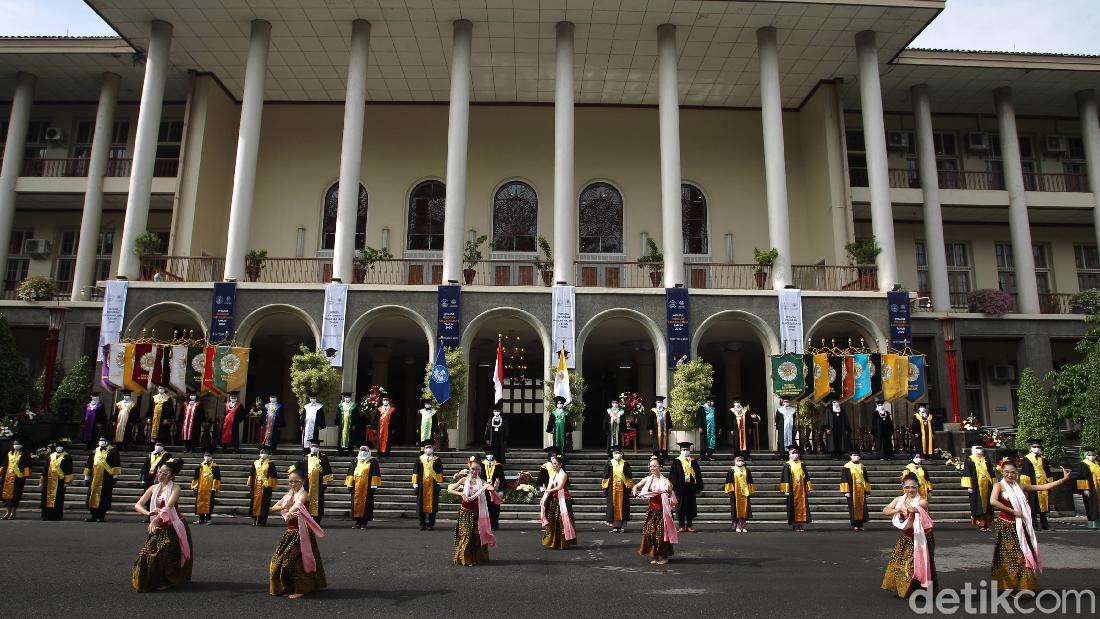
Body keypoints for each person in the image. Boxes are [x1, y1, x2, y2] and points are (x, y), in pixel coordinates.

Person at [989, 460, 1071, 592]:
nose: (1009, 475)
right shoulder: (998, 486)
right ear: (1002, 472)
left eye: (1013, 472)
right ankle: (1009, 587)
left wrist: (1063, 480)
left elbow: (1044, 487)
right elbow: (993, 501)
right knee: (1009, 556)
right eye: (1006, 472)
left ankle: (1025, 587)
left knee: (1023, 556)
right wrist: (1012, 511)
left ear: (1017, 473)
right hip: (1006, 526)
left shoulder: (1020, 487)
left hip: (1021, 526)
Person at [132, 458, 193, 592]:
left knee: (169, 554)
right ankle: (151, 580)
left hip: (173, 524)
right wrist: (148, 513)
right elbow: (138, 504)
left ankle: (168, 580)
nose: (160, 475)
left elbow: (168, 506)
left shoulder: (175, 488)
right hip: (158, 525)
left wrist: (155, 520)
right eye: (160, 471)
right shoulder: (153, 488)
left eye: (164, 473)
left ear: (171, 476)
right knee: (149, 553)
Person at [269, 467, 327, 598]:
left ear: (301, 482)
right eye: (290, 481)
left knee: (292, 563)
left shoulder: (303, 494)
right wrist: (285, 507)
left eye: (295, 481)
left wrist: (290, 510)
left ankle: (300, 589)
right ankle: (289, 587)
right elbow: (273, 508)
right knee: (277, 561)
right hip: (290, 532)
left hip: (302, 533)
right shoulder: (289, 495)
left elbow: (298, 505)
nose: (292, 484)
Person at [881, 473, 937, 599]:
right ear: (903, 487)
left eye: (913, 487)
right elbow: (885, 510)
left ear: (918, 487)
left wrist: (910, 508)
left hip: (922, 537)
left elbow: (917, 508)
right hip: (907, 536)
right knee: (899, 562)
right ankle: (903, 589)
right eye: (907, 487)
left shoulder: (922, 500)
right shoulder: (899, 500)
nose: (910, 490)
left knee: (920, 564)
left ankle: (922, 590)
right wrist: (897, 510)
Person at [448, 461, 497, 566]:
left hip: (476, 513)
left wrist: (495, 486)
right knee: (465, 534)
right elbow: (450, 490)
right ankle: (463, 558)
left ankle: (475, 558)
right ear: (469, 469)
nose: (475, 471)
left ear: (480, 471)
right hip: (464, 512)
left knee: (475, 536)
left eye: (477, 469)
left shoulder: (482, 482)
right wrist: (461, 494)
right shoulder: (464, 479)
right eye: (473, 469)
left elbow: (491, 489)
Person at [632, 457, 678, 565]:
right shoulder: (648, 479)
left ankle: (665, 556)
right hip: (652, 511)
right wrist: (635, 493)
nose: (652, 468)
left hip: (663, 512)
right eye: (651, 466)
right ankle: (655, 555)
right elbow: (636, 486)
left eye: (654, 466)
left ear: (660, 467)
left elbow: (671, 493)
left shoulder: (665, 480)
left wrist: (669, 490)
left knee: (661, 535)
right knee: (650, 533)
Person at [538, 447, 576, 549]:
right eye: (553, 464)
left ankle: (564, 543)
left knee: (563, 521)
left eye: (555, 464)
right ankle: (554, 542)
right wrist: (545, 495)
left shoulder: (564, 475)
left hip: (564, 500)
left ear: (560, 465)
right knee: (553, 521)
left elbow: (560, 487)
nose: (553, 466)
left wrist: (549, 491)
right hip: (556, 500)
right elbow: (550, 485)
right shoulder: (554, 474)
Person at [84, 436, 121, 522]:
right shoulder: (95, 451)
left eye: (104, 440)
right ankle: (93, 515)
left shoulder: (113, 451)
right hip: (94, 477)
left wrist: (115, 476)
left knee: (104, 496)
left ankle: (101, 515)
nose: (102, 442)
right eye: (100, 440)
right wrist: (87, 477)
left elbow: (116, 463)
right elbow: (89, 464)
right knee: (92, 495)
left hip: (106, 478)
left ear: (107, 441)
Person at [1019, 438, 1053, 531]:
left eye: (1038, 446)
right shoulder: (1027, 459)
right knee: (1033, 505)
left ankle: (1045, 524)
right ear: (1030, 447)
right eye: (1034, 446)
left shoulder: (1043, 459)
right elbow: (1025, 473)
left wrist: (1050, 484)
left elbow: (1048, 472)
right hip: (1032, 485)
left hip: (1043, 485)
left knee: (1043, 506)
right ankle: (1034, 524)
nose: (1036, 448)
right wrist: (1026, 487)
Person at [669, 441, 703, 532]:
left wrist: (698, 485)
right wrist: (674, 485)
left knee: (690, 507)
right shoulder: (676, 462)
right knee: (680, 507)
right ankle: (681, 525)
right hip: (680, 489)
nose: (685, 451)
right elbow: (673, 474)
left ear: (689, 450)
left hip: (690, 488)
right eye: (683, 450)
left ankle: (689, 524)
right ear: (680, 450)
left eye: (687, 449)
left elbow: (698, 474)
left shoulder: (693, 461)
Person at [962, 440, 996, 531]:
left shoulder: (986, 460)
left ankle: (988, 524)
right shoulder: (969, 460)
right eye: (977, 448)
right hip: (976, 487)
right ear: (973, 449)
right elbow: (967, 473)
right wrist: (969, 486)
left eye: (980, 448)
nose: (979, 450)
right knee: (978, 505)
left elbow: (991, 472)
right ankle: (981, 524)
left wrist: (995, 484)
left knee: (988, 505)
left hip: (987, 486)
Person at [346, 444, 381, 529]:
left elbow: (375, 473)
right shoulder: (355, 461)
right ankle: (357, 522)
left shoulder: (372, 461)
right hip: (356, 486)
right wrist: (350, 484)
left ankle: (364, 522)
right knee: (356, 503)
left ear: (368, 451)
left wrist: (374, 485)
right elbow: (350, 472)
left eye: (365, 451)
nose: (363, 452)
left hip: (367, 487)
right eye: (361, 450)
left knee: (367, 505)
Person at [298, 440, 333, 522]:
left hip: (319, 483)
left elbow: (327, 470)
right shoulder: (306, 457)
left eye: (316, 446)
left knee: (318, 502)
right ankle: (306, 519)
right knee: (306, 500)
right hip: (307, 483)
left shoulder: (323, 457)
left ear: (319, 447)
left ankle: (317, 520)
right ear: (310, 447)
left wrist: (325, 482)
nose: (314, 448)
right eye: (313, 446)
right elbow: (302, 470)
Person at [412, 439, 443, 531]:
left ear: (433, 448)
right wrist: (415, 485)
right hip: (422, 486)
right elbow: (415, 473)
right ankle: (422, 523)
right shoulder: (419, 460)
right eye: (427, 447)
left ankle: (430, 524)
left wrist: (438, 484)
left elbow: (439, 473)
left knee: (432, 505)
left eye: (430, 447)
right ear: (424, 449)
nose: (429, 449)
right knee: (421, 505)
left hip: (433, 486)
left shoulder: (437, 460)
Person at [780, 446, 812, 532]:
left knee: (802, 506)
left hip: (801, 489)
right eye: (793, 454)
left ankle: (800, 524)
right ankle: (795, 525)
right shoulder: (787, 465)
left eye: (796, 453)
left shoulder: (802, 464)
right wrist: (786, 490)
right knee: (792, 507)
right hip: (792, 490)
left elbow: (806, 476)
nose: (795, 455)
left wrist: (808, 487)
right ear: (790, 455)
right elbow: (785, 478)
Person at [601, 446, 633, 532]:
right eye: (615, 453)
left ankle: (621, 525)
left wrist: (629, 487)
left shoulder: (625, 464)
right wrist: (604, 487)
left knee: (623, 506)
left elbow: (629, 477)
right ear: (612, 454)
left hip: (624, 489)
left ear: (622, 453)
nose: (617, 454)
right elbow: (606, 476)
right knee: (613, 506)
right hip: (612, 489)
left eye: (619, 453)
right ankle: (615, 526)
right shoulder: (609, 464)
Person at [40, 442, 73, 521]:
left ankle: (56, 515)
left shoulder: (67, 457)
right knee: (46, 497)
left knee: (58, 498)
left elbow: (69, 470)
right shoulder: (51, 456)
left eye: (60, 446)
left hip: (60, 481)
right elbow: (45, 469)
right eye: (58, 446)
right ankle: (46, 515)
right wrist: (42, 480)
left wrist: (67, 482)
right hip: (49, 480)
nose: (59, 448)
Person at [841, 450, 872, 531]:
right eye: (854, 455)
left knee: (862, 507)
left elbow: (866, 479)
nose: (856, 456)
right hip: (852, 490)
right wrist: (846, 491)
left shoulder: (862, 466)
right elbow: (844, 479)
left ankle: (860, 524)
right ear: (851, 456)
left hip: (861, 490)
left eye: (857, 455)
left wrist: (867, 491)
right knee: (853, 508)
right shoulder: (847, 466)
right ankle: (855, 525)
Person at [247, 447, 278, 526]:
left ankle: (263, 520)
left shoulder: (270, 464)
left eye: (265, 452)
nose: (263, 453)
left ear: (267, 454)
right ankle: (255, 520)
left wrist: (268, 485)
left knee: (264, 503)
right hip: (256, 485)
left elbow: (273, 476)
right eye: (262, 452)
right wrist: (251, 484)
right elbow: (252, 474)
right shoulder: (255, 463)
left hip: (265, 487)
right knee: (255, 503)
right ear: (260, 454)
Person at [1, 440, 32, 520]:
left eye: (18, 444)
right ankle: (7, 512)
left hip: (18, 478)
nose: (16, 445)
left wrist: (24, 475)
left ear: (21, 445)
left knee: (15, 495)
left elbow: (26, 465)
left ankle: (13, 512)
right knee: (6, 496)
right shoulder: (9, 454)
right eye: (15, 444)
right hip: (7, 478)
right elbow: (5, 464)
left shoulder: (24, 454)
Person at [724, 454, 755, 532]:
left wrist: (750, 490)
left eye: (741, 461)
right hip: (735, 493)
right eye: (738, 461)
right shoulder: (732, 470)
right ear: (735, 461)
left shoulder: (747, 470)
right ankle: (737, 525)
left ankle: (743, 526)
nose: (740, 462)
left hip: (745, 492)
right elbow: (729, 481)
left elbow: (750, 481)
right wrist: (730, 491)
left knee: (745, 509)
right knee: (736, 509)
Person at [190, 451, 220, 525]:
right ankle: (201, 518)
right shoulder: (200, 466)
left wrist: (215, 487)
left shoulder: (215, 466)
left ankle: (208, 519)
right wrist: (194, 486)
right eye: (206, 455)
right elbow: (196, 477)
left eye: (209, 455)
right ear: (203, 457)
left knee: (210, 504)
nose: (207, 457)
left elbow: (217, 478)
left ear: (212, 457)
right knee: (200, 503)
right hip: (201, 488)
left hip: (210, 488)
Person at [1077, 446, 1100, 530]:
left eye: (1093, 454)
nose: (1092, 456)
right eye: (1090, 454)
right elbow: (1081, 477)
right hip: (1091, 488)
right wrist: (1085, 488)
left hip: (1098, 488)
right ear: (1086, 455)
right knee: (1091, 506)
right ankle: (1093, 525)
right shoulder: (1083, 464)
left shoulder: (1097, 463)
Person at [694, 395, 721, 461]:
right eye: (710, 401)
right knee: (703, 442)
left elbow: (718, 419)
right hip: (704, 428)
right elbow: (698, 418)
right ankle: (702, 456)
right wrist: (699, 427)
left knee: (712, 442)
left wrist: (719, 428)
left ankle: (709, 455)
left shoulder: (714, 409)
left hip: (713, 429)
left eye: (712, 401)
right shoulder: (702, 408)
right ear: (707, 401)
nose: (712, 403)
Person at [482, 451, 504, 530]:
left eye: (491, 453)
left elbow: (502, 478)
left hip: (495, 490)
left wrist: (501, 490)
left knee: (495, 508)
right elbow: (480, 477)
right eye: (488, 454)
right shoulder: (482, 465)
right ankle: (486, 525)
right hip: (485, 489)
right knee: (485, 507)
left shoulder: (498, 465)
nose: (489, 455)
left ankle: (494, 525)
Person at [649, 396, 672, 463]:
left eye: (661, 402)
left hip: (665, 430)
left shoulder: (666, 411)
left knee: (665, 444)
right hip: (656, 431)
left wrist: (670, 428)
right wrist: (650, 429)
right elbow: (650, 421)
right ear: (656, 403)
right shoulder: (653, 411)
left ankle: (665, 457)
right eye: (658, 402)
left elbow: (669, 420)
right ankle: (656, 457)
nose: (660, 403)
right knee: (656, 444)